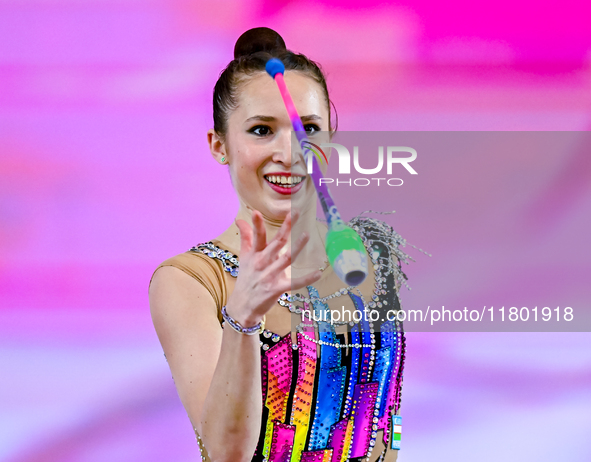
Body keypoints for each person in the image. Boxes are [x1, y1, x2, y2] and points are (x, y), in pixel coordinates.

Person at [149, 27, 408, 462]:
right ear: (219, 146)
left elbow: (385, 426)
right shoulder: (190, 281)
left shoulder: (369, 256)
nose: (289, 153)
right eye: (261, 130)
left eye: (307, 127)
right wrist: (243, 318)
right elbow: (227, 451)